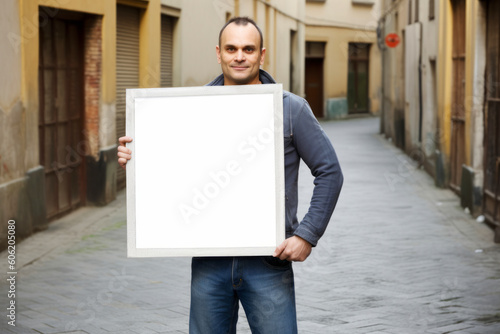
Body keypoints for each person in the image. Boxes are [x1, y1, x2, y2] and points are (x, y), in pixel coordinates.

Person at [118, 16, 343, 334]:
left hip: (268, 260)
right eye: (232, 48)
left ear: (261, 55)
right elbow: (172, 166)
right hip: (209, 259)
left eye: (248, 49)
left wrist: (307, 234)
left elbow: (330, 171)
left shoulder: (290, 109)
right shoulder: (192, 109)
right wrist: (137, 158)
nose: (240, 56)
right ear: (219, 53)